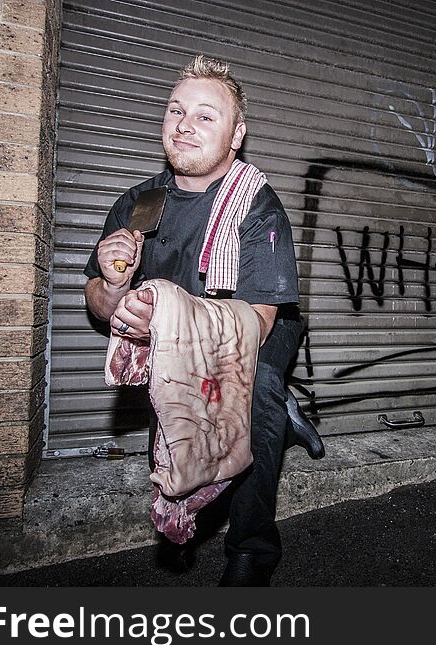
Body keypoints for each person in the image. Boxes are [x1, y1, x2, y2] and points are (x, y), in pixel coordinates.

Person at [83, 55, 323, 586]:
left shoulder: (255, 207)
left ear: (235, 134)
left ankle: (254, 552)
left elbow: (258, 323)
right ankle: (276, 416)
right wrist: (116, 283)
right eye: (176, 111)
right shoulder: (139, 205)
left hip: (253, 329)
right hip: (169, 336)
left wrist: (169, 322)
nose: (185, 125)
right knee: (180, 439)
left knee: (253, 388)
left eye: (205, 116)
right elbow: (98, 304)